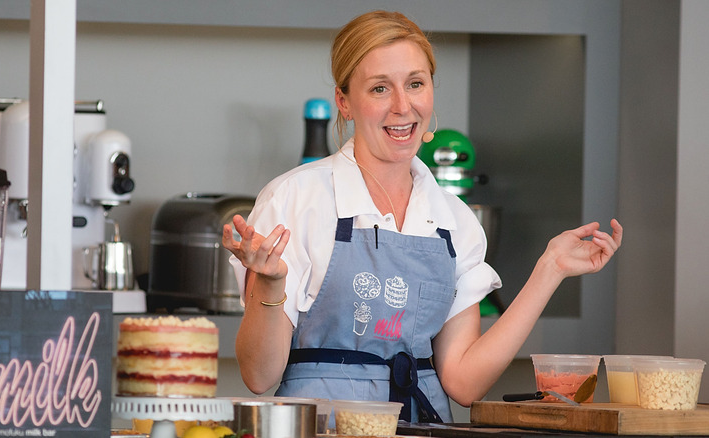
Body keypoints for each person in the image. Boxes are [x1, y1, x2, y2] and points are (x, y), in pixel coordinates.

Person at [222, 10, 623, 423]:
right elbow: (257, 374)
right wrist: (272, 282)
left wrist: (549, 269)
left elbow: (464, 383)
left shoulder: (454, 220)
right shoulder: (296, 199)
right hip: (322, 429)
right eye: (380, 88)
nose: (402, 106)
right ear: (344, 102)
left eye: (415, 84)